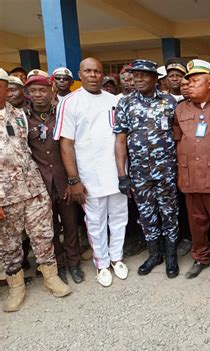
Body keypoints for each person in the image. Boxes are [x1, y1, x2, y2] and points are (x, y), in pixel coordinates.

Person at [0, 68, 71, 312]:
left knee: (43, 235)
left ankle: (51, 277)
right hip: (5, 195)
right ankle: (16, 286)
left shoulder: (20, 115)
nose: (5, 91)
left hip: (34, 189)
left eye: (5, 86)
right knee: (9, 244)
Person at [54, 58, 129, 287]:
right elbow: (66, 144)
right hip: (89, 175)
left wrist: (124, 173)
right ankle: (102, 263)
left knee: (119, 218)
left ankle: (116, 258)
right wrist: (74, 179)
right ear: (80, 74)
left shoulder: (115, 100)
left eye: (97, 71)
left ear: (103, 73)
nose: (93, 75)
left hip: (116, 172)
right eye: (88, 71)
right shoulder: (70, 102)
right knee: (95, 222)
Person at [114, 59, 179, 278]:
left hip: (167, 170)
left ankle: (171, 256)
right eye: (135, 75)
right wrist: (122, 175)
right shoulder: (125, 103)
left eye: (144, 75)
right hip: (139, 172)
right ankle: (154, 255)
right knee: (146, 214)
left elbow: (179, 135)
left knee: (169, 213)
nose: (138, 79)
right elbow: (120, 140)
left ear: (155, 78)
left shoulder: (170, 101)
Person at [173, 59, 210, 283]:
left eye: (195, 80)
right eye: (187, 81)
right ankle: (200, 258)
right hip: (189, 175)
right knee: (196, 222)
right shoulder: (180, 108)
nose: (188, 84)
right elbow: (178, 140)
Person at [24, 74, 84, 284]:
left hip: (64, 180)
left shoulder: (62, 114)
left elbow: (72, 148)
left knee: (70, 224)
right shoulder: (24, 119)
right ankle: (59, 265)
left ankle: (74, 264)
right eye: (33, 91)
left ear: (51, 92)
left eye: (42, 90)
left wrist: (72, 180)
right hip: (40, 185)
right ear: (28, 94)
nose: (38, 95)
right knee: (50, 228)